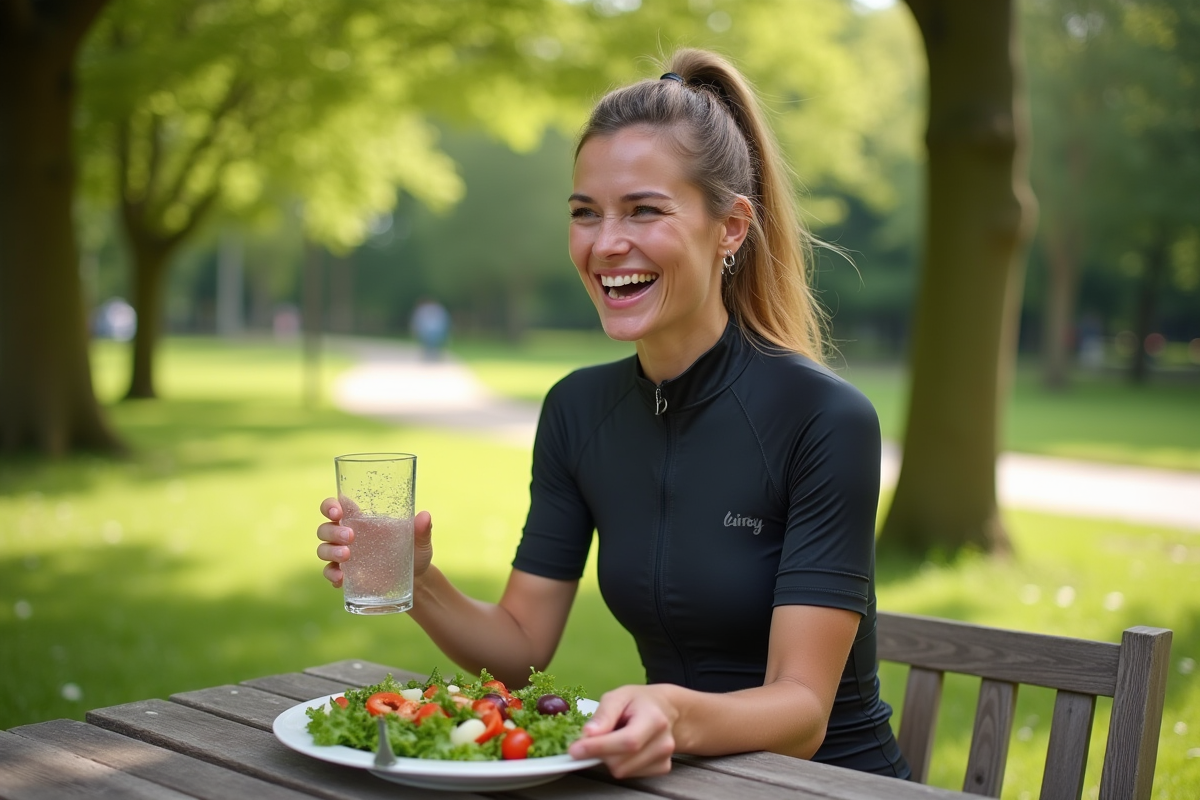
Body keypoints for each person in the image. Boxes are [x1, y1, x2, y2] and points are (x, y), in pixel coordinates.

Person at [317, 49, 910, 781]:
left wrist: (674, 711)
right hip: (677, 780)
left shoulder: (824, 417)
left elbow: (802, 713)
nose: (606, 244)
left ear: (730, 228)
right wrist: (414, 577)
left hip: (830, 786)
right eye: (585, 214)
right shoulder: (577, 410)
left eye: (644, 211)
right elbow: (521, 646)